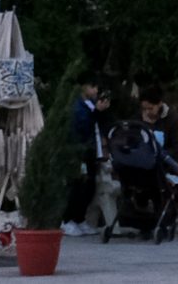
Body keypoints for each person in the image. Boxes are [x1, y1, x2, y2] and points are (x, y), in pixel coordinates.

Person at [60, 75, 111, 236]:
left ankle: (80, 219)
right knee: (77, 187)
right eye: (93, 86)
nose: (96, 91)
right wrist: (97, 112)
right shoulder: (77, 106)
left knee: (89, 187)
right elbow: (82, 125)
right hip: (79, 151)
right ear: (83, 87)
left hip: (91, 151)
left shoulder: (90, 105)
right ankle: (67, 220)